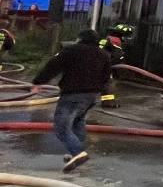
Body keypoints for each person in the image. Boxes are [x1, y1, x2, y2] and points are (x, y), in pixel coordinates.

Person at [32, 29, 112, 173]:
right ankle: (73, 154)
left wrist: (38, 82)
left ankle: (78, 153)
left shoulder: (72, 50)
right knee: (77, 122)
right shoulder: (104, 54)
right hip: (91, 96)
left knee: (61, 127)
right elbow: (107, 77)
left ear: (80, 39)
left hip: (73, 94)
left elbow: (53, 66)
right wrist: (103, 95)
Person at [97, 23, 135, 109]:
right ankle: (108, 103)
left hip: (98, 63)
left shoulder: (107, 38)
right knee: (109, 84)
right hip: (103, 66)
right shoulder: (115, 40)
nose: (128, 39)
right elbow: (117, 56)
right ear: (121, 34)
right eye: (127, 36)